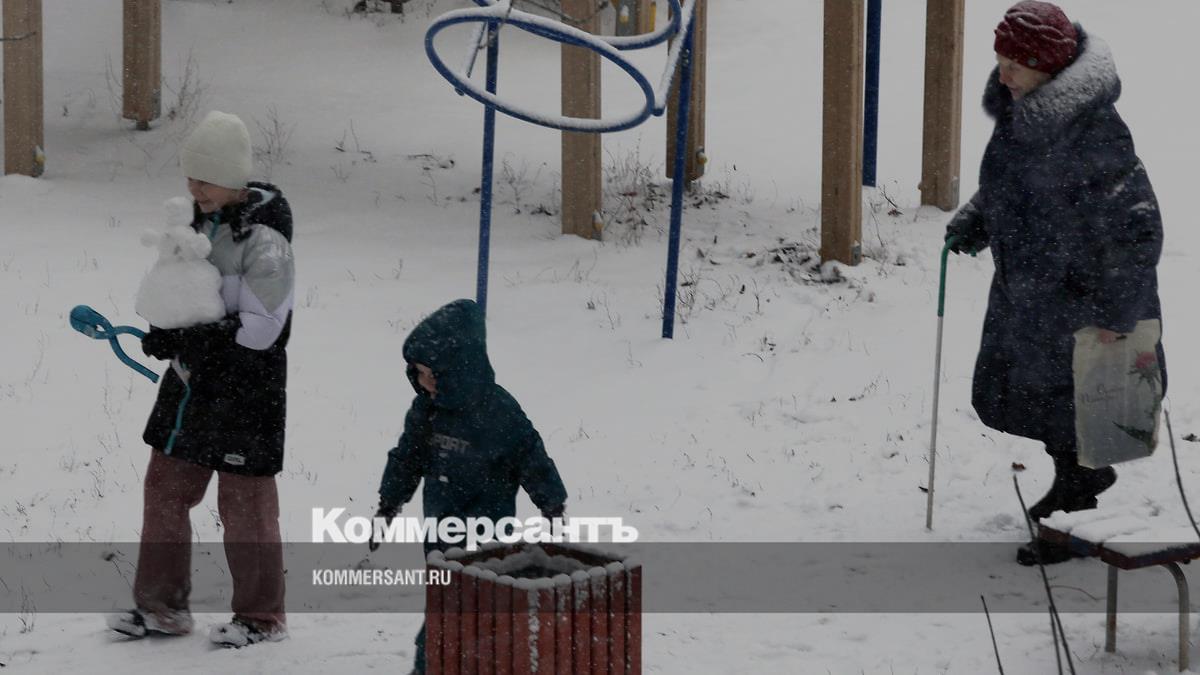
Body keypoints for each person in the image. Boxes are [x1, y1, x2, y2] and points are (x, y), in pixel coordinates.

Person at [945, 1, 1166, 565]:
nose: (1003, 76)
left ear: (1047, 67)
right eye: (999, 62)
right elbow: (1018, 186)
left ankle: (1074, 509)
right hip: (1031, 292)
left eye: (1014, 65)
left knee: (1074, 403)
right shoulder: (1028, 112)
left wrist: (1117, 314)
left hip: (1081, 300)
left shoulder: (1095, 133)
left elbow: (1138, 227)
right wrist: (980, 217)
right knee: (1026, 396)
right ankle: (1078, 478)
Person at [107, 110, 296, 646]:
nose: (194, 188)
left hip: (248, 391)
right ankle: (161, 608)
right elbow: (178, 289)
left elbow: (263, 329)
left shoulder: (266, 242)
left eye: (206, 179)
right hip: (190, 388)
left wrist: (198, 340)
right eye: (190, 176)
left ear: (234, 179)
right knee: (164, 492)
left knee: (245, 508)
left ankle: (261, 618)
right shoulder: (193, 225)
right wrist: (164, 331)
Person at [372, 298, 567, 674]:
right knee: (446, 606)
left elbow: (531, 455)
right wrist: (388, 504)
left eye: (431, 374)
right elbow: (407, 457)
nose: (424, 381)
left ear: (457, 370)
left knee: (474, 609)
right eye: (417, 373)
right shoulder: (426, 410)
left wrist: (552, 504)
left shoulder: (499, 411)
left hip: (488, 534)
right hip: (440, 530)